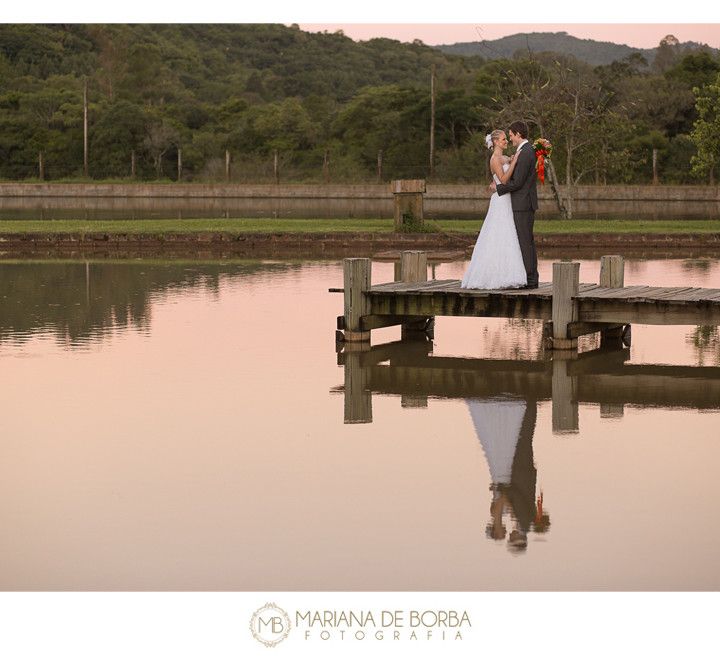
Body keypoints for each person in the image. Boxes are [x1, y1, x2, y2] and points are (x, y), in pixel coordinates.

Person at [461, 129, 527, 290]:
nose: (506, 141)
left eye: (506, 138)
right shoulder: (494, 159)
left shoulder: (504, 157)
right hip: (500, 200)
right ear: (496, 141)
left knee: (507, 235)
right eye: (504, 139)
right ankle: (491, 276)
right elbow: (503, 180)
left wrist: (511, 161)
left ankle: (508, 274)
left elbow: (501, 179)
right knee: (497, 233)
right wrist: (515, 161)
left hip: (507, 199)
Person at [489, 120, 539, 289]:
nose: (509, 139)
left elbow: (517, 182)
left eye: (510, 135)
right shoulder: (524, 151)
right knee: (525, 241)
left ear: (518, 134)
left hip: (523, 203)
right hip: (520, 203)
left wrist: (499, 188)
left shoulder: (525, 152)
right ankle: (529, 278)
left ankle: (530, 280)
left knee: (525, 242)